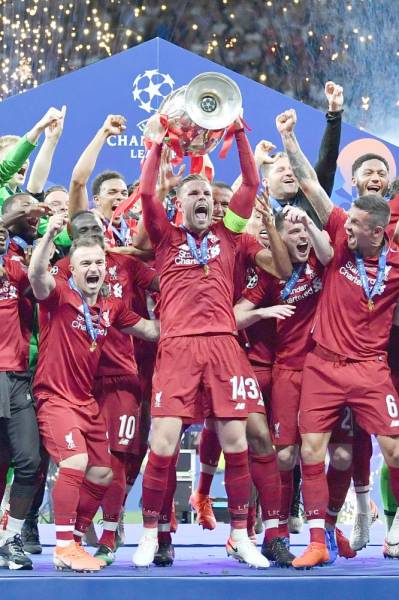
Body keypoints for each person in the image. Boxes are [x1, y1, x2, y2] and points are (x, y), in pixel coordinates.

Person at [131, 113, 275, 570]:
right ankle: (150, 534)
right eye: (193, 194)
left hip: (224, 347)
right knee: (165, 441)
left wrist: (238, 137)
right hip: (177, 348)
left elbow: (251, 184)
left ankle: (240, 535)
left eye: (208, 196)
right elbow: (149, 192)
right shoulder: (164, 237)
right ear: (179, 203)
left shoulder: (228, 235)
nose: (204, 201)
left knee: (236, 442)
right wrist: (155, 145)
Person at [276, 107, 399, 568]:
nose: (343, 230)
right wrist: (289, 138)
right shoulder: (341, 238)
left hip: (371, 370)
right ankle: (315, 539)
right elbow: (311, 184)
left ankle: (392, 522)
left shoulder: (395, 263)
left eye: (353, 227)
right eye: (345, 224)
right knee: (311, 449)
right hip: (323, 365)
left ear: (376, 232)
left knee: (393, 449)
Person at [28, 215, 159, 572]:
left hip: (86, 402)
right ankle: (63, 546)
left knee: (102, 474)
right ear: (72, 268)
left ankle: (76, 537)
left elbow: (149, 329)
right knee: (74, 463)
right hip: (55, 399)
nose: (94, 269)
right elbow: (37, 277)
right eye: (85, 263)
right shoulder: (58, 296)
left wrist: (197, 321)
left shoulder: (110, 307)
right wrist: (50, 236)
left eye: (99, 262)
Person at [0, 221, 41, 570]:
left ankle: (9, 537)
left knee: (29, 460)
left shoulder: (14, 271)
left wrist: (38, 254)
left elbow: (44, 285)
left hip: (15, 378)